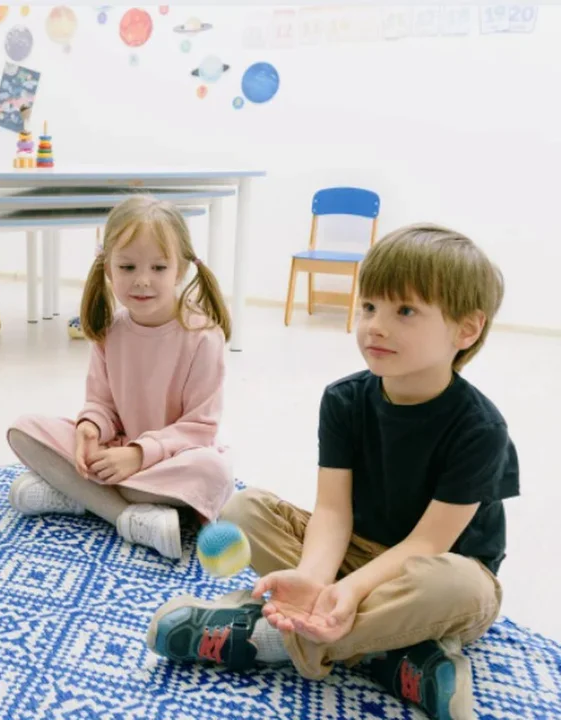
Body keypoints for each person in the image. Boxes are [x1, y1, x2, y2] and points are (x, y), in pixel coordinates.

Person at [147, 224, 518, 720]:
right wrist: (314, 578)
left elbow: (427, 546)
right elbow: (332, 511)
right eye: (368, 307)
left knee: (461, 589)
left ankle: (274, 639)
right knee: (243, 508)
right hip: (351, 553)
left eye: (404, 311)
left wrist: (351, 590)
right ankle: (394, 653)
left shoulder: (480, 428)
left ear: (466, 330)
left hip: (431, 571)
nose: (374, 326)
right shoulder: (344, 400)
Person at [6, 195, 234, 559]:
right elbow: (101, 404)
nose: (142, 281)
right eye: (127, 267)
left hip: (172, 460)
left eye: (159, 268)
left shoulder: (203, 337)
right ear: (108, 269)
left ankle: (78, 495)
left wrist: (139, 455)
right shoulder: (110, 331)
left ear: (182, 270)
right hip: (117, 457)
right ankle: (125, 515)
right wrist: (90, 429)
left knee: (214, 472)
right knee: (24, 429)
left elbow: (199, 428)